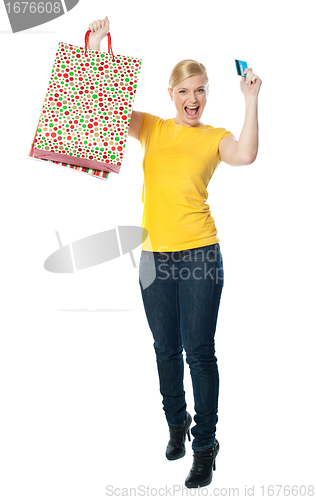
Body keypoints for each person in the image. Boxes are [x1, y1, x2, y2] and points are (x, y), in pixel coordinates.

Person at [87, 17, 262, 489]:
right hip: (153, 260)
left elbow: (246, 155)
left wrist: (251, 99)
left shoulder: (213, 137)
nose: (193, 99)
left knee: (198, 353)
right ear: (171, 93)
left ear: (207, 94)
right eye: (185, 90)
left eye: (201, 90)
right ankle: (176, 426)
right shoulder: (154, 129)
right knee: (165, 350)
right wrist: (99, 47)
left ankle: (205, 445)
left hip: (200, 256)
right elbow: (103, 105)